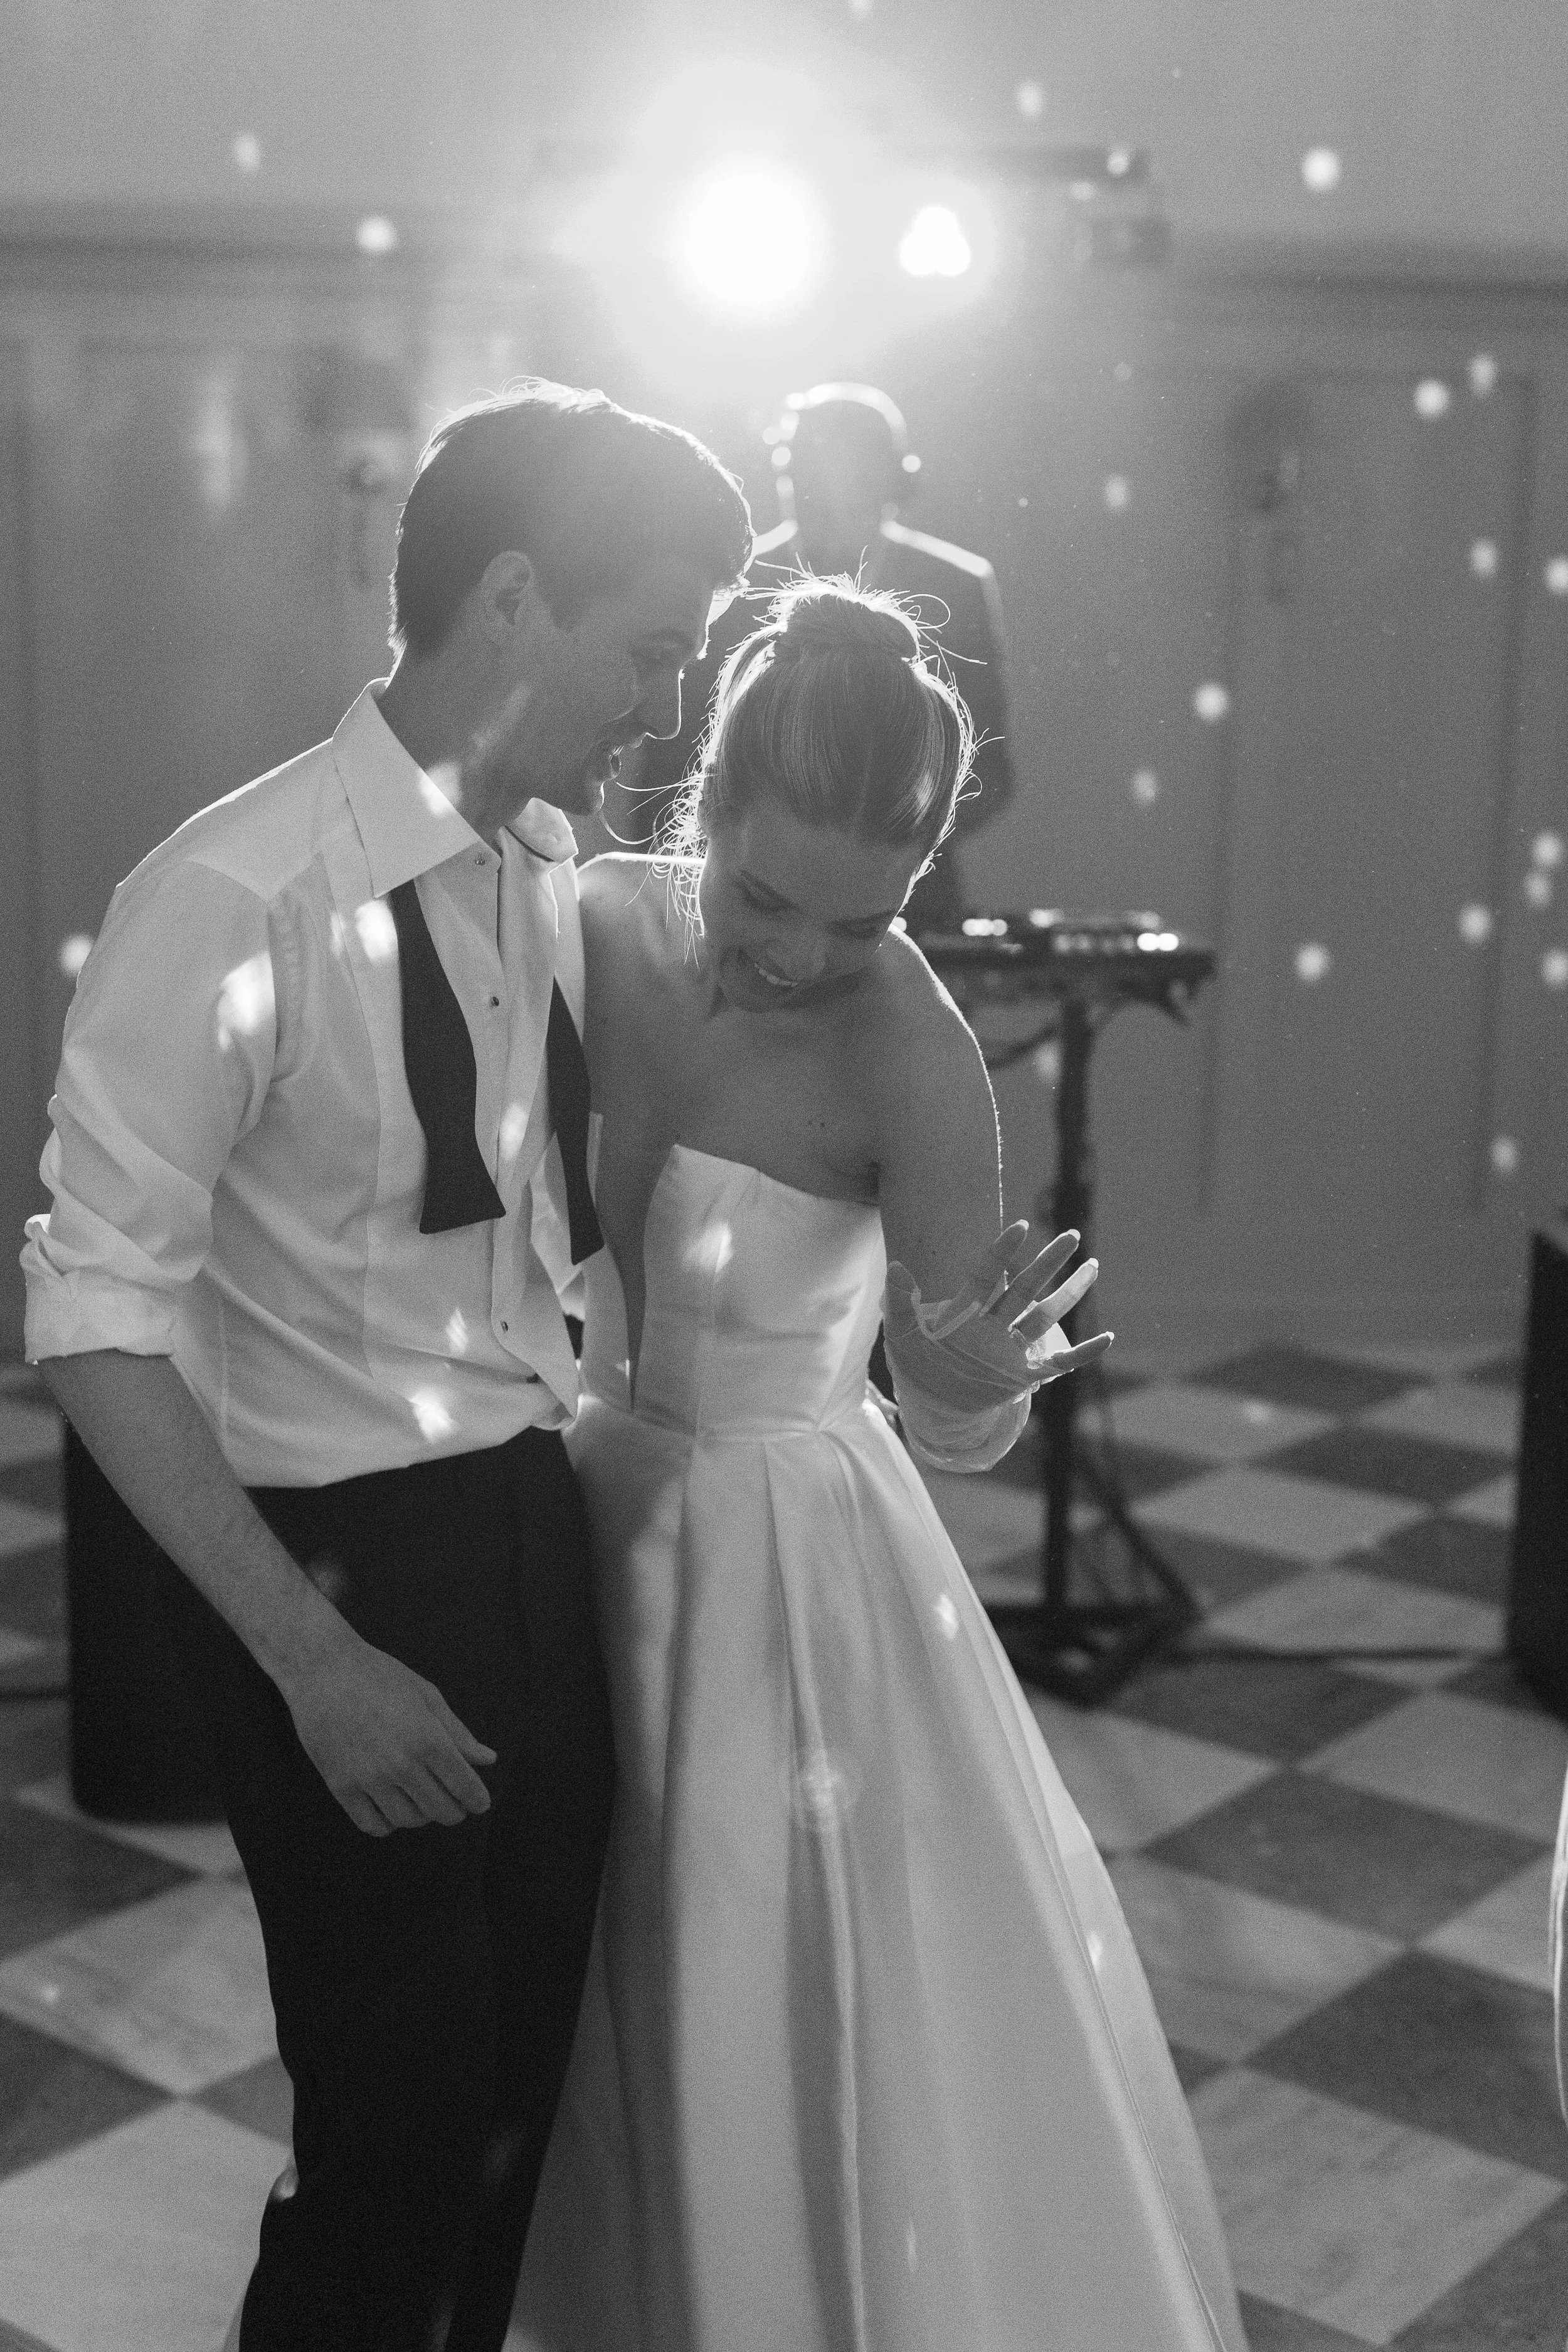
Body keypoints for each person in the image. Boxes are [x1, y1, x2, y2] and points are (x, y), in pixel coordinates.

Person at [21, 381, 752, 2352]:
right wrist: (314, 1659)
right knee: (394, 2126)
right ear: (512, 598)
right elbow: (92, 1318)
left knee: (519, 2100)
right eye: (650, 648)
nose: (669, 706)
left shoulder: (541, 870)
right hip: (322, 1560)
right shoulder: (234, 891)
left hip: (524, 1516)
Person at [512, 580, 1245, 2351]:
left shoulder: (912, 1049)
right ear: (708, 803)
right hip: (568, 1505)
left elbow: (959, 1411)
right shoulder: (585, 919)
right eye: (765, 897)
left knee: (759, 1979)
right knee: (570, 1975)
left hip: (779, 1568)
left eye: (862, 919)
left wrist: (974, 1376)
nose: (795, 956)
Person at [632, 381, 1017, 930]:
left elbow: (989, 773)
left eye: (834, 475)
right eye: (801, 475)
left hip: (903, 907)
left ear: (890, 482)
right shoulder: (730, 584)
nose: (816, 494)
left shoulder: (956, 587)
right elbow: (670, 757)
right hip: (740, 897)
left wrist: (879, 848)